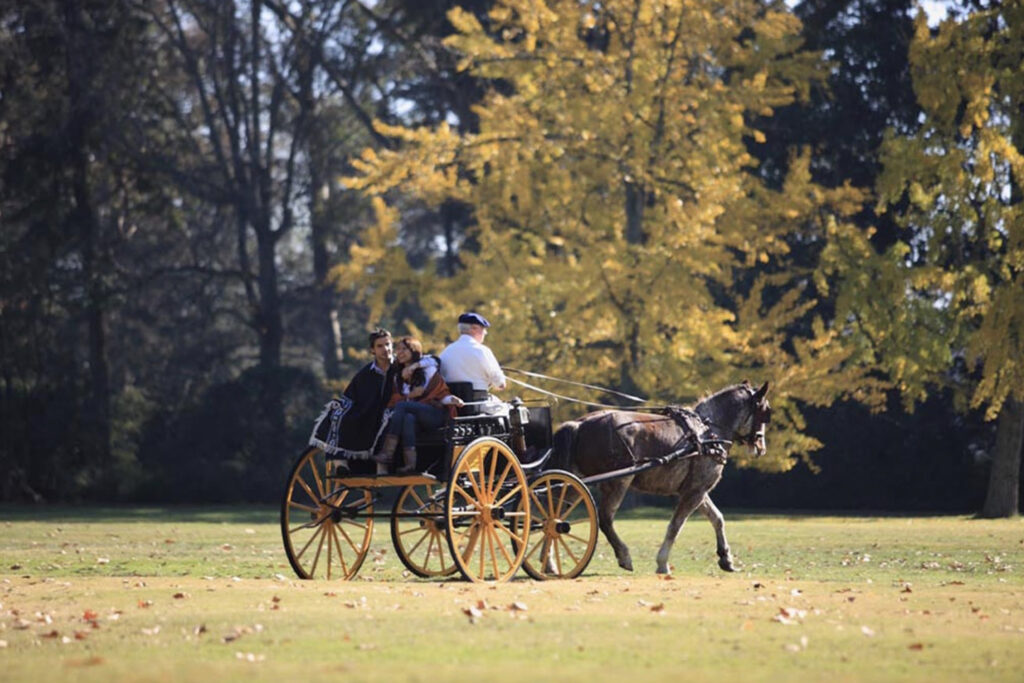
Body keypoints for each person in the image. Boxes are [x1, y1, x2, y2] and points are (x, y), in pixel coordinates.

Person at [310, 328, 396, 475]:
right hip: (367, 411)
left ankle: (381, 466)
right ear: (372, 350)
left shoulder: (400, 368)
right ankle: (341, 463)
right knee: (338, 413)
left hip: (392, 410)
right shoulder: (365, 373)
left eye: (387, 344)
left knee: (388, 418)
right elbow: (351, 395)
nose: (385, 349)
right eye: (380, 346)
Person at [374, 337, 461, 474]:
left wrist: (452, 400)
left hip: (435, 415)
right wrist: (410, 396)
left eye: (404, 349)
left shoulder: (429, 370)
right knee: (408, 418)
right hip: (415, 415)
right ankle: (410, 465)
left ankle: (388, 453)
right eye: (398, 349)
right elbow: (397, 400)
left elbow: (441, 395)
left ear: (413, 350)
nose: (400, 352)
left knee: (402, 406)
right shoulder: (398, 377)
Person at [439, 312, 506, 405]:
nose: (485, 333)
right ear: (474, 328)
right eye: (483, 329)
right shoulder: (482, 351)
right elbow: (500, 384)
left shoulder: (445, 352)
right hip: (478, 404)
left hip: (452, 407)